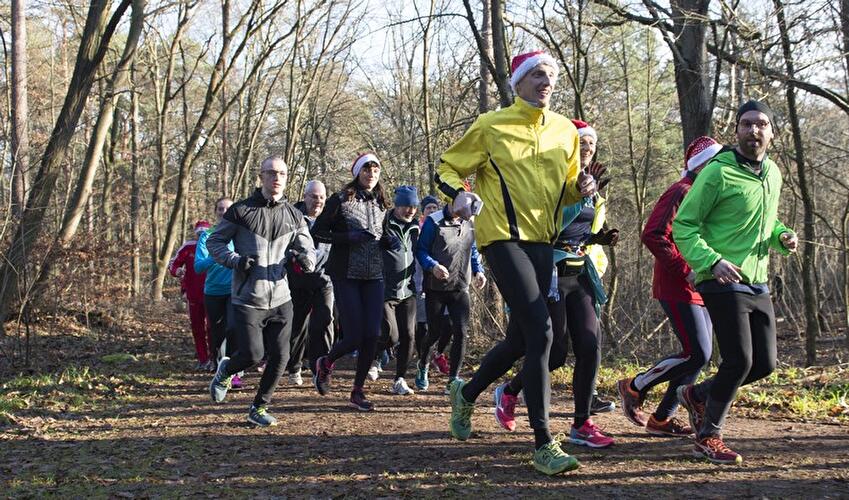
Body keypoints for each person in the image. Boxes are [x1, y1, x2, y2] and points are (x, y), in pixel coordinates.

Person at [437, 50, 597, 475]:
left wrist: (581, 187)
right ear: (519, 82)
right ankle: (544, 443)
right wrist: (458, 194)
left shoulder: (564, 130)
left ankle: (466, 394)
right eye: (538, 75)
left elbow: (567, 189)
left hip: (544, 243)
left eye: (552, 76)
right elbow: (447, 166)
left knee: (520, 341)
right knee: (542, 333)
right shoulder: (491, 125)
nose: (547, 82)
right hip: (502, 239)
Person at [673, 100, 797, 464]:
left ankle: (697, 395)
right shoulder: (718, 172)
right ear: (737, 130)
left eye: (761, 124)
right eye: (746, 124)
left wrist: (782, 236)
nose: (753, 130)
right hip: (721, 278)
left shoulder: (773, 173)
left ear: (772, 133)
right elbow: (684, 225)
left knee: (764, 364)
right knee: (739, 360)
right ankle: (708, 436)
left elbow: (767, 222)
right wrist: (712, 261)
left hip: (757, 280)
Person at [492, 119, 618, 449]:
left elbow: (582, 230)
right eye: (581, 142)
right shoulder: (552, 177)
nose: (587, 148)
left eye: (591, 143)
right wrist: (576, 195)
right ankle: (510, 391)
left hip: (581, 272)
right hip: (550, 272)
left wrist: (598, 238)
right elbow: (543, 225)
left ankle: (582, 424)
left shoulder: (593, 186)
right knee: (557, 352)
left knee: (590, 344)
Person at [616, 137, 723, 437]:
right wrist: (686, 270)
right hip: (677, 283)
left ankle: (662, 419)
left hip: (702, 285)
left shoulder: (708, 194)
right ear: (701, 165)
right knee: (697, 353)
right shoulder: (681, 191)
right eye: (715, 163)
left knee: (698, 355)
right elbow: (653, 234)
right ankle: (635, 385)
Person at [207, 156, 316, 427]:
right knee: (252, 355)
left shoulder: (294, 215)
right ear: (261, 176)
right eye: (271, 173)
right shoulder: (241, 211)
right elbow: (215, 242)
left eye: (282, 174)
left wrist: (304, 260)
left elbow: (309, 250)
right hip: (248, 297)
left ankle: (259, 407)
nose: (277, 178)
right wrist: (235, 261)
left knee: (281, 356)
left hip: (281, 297)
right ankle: (226, 369)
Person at [311, 153, 400, 411]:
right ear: (358, 173)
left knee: (373, 334)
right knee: (353, 336)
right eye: (366, 170)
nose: (371, 175)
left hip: (374, 275)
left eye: (375, 171)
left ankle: (358, 391)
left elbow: (381, 233)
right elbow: (319, 232)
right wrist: (348, 237)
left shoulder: (382, 203)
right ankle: (326, 362)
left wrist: (389, 241)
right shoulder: (340, 200)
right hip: (346, 273)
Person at [415, 193, 486, 394]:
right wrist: (433, 266)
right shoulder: (433, 222)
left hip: (460, 285)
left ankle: (453, 379)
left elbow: (472, 249)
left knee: (461, 332)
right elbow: (421, 250)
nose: (465, 217)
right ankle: (423, 364)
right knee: (435, 332)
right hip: (436, 287)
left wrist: (478, 271)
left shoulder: (470, 222)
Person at [372, 185, 421, 395]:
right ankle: (374, 357)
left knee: (409, 336)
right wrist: (381, 243)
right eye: (406, 206)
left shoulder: (416, 227)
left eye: (414, 207)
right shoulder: (384, 222)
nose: (411, 210)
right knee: (391, 336)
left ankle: (400, 379)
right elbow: (370, 243)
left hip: (408, 290)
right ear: (397, 205)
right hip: (386, 290)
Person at [285, 180, 334, 386]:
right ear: (305, 197)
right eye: (313, 196)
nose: (318, 201)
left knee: (325, 320)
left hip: (324, 278)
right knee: (298, 324)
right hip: (298, 278)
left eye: (321, 197)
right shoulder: (292, 216)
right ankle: (294, 367)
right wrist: (293, 256)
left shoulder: (331, 217)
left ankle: (320, 369)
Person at [194, 197, 244, 388]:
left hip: (235, 289)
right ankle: (219, 369)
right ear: (215, 212)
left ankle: (235, 371)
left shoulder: (240, 233)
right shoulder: (207, 236)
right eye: (220, 209)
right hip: (213, 292)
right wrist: (217, 256)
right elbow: (198, 267)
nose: (224, 212)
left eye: (228, 209)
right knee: (217, 334)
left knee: (234, 328)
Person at [413, 195, 452, 377]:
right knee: (423, 326)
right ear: (423, 211)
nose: (432, 210)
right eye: (428, 208)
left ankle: (438, 354)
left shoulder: (443, 226)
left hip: (445, 284)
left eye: (434, 207)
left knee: (449, 325)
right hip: (421, 284)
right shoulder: (418, 230)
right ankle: (423, 361)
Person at [169, 220, 211, 370]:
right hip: (193, 294)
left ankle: (214, 358)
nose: (201, 236)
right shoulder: (188, 247)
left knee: (212, 328)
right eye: (199, 233)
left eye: (204, 233)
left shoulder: (215, 246)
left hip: (213, 294)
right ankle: (203, 359)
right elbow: (173, 264)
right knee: (197, 328)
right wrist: (177, 271)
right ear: (195, 233)